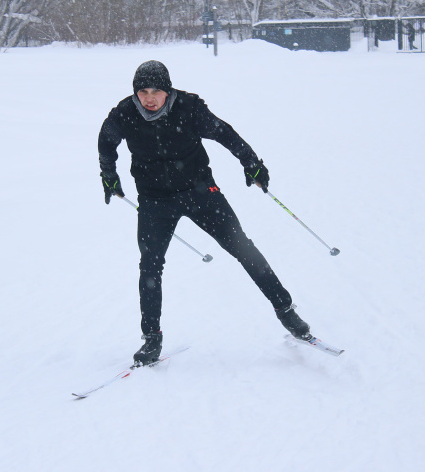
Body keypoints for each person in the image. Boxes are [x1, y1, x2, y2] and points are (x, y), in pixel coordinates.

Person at [98, 60, 312, 366]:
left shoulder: (189, 108)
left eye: (156, 91)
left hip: (200, 193)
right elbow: (106, 142)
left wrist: (250, 162)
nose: (149, 98)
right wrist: (108, 174)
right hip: (154, 200)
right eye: (143, 91)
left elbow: (225, 133)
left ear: (167, 90)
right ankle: (152, 339)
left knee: (243, 248)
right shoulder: (124, 113)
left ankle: (287, 312)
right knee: (150, 267)